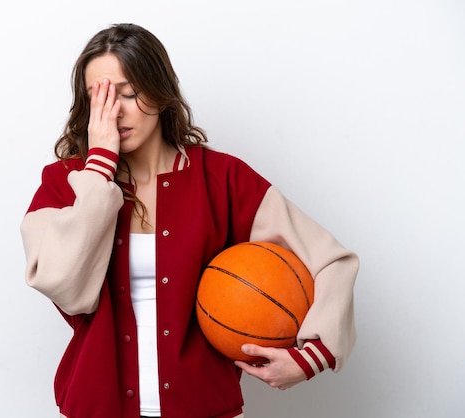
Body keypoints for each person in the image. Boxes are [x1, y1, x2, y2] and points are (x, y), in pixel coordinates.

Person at [20, 23, 359, 418]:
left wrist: (311, 357)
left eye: (129, 93)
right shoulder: (65, 183)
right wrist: (100, 167)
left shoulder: (224, 179)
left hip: (205, 407)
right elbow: (65, 286)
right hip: (96, 407)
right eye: (102, 99)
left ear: (160, 91)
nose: (117, 111)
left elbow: (330, 260)